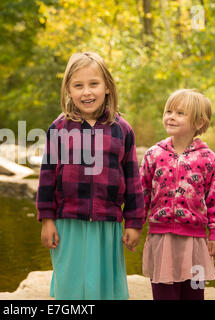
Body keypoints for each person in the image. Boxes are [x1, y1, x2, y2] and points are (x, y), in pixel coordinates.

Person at [36, 52, 145, 300]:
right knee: (71, 285)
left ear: (107, 87)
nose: (87, 92)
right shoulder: (59, 128)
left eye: (93, 84)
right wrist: (47, 219)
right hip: (68, 221)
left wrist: (135, 222)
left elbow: (133, 180)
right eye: (78, 86)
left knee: (104, 287)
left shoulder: (122, 129)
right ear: (69, 91)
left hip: (108, 222)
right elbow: (47, 177)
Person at [140, 89, 215, 300]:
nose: (171, 116)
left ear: (198, 122)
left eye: (179, 113)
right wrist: (134, 226)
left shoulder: (207, 158)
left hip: (195, 243)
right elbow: (142, 194)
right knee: (164, 294)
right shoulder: (153, 154)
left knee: (194, 294)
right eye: (168, 111)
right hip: (161, 240)